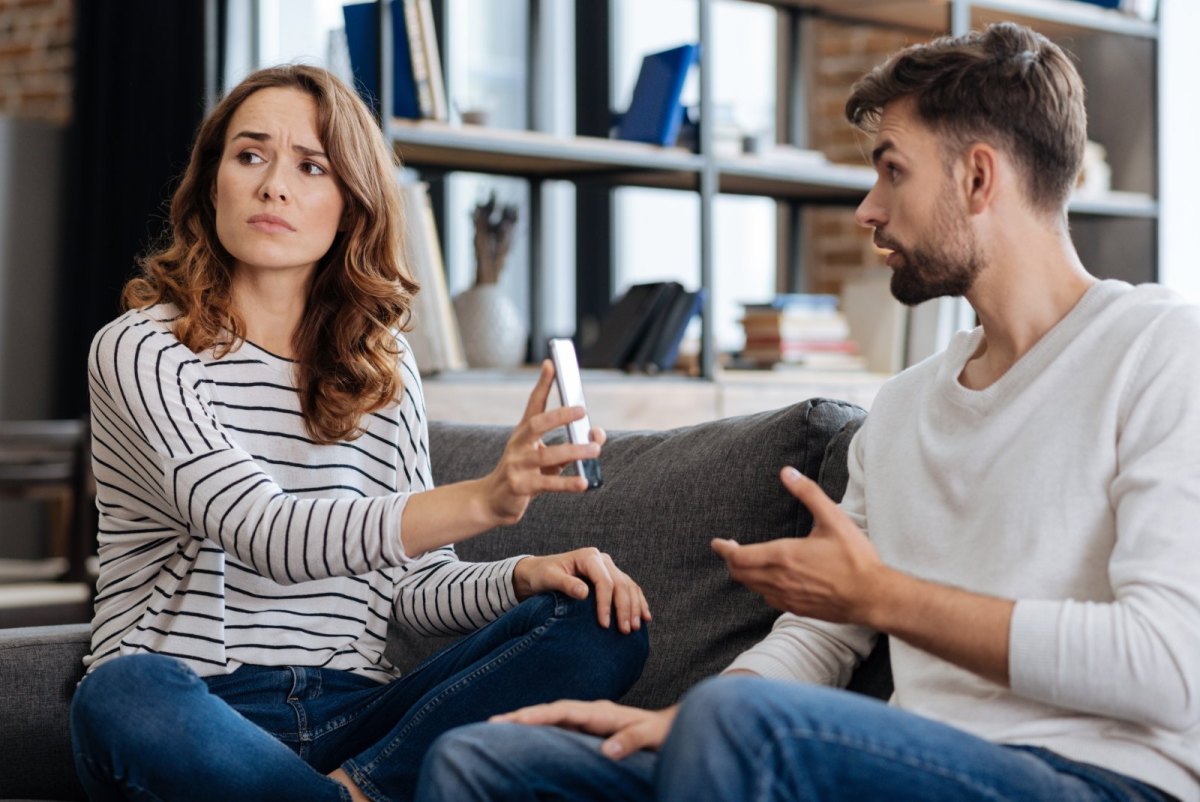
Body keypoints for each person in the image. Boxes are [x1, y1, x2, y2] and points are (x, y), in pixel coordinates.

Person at [414, 21, 1200, 802]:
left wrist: (881, 600)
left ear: (979, 179)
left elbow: (1168, 667)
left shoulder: (1160, 353)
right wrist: (688, 718)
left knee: (740, 720)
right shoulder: (902, 407)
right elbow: (825, 631)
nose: (867, 208)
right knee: (483, 762)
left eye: (893, 172)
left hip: (1097, 777)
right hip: (890, 766)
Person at [69, 64, 651, 802]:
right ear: (211, 181)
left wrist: (524, 573)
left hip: (359, 716)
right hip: (200, 709)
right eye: (250, 155)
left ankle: (355, 789)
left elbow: (412, 588)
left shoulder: (385, 364)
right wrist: (486, 499)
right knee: (123, 693)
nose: (273, 185)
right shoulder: (143, 348)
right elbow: (264, 532)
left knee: (600, 623)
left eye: (312, 166)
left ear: (350, 204)